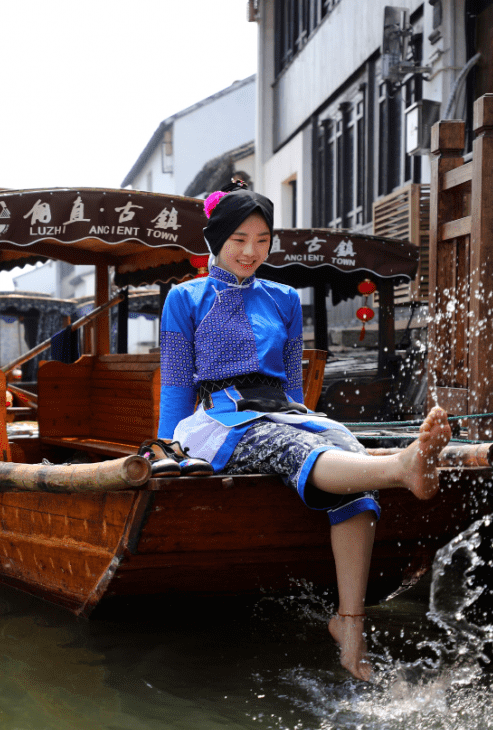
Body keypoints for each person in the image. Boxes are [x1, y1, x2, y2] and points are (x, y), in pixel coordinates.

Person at [158, 181, 451, 681]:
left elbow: (293, 386)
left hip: (286, 411)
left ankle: (350, 625)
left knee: (344, 449)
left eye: (262, 240)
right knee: (294, 448)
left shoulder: (285, 299)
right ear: (216, 240)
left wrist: (313, 425)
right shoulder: (184, 299)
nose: (251, 251)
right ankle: (402, 466)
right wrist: (168, 449)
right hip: (220, 419)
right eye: (239, 240)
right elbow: (176, 385)